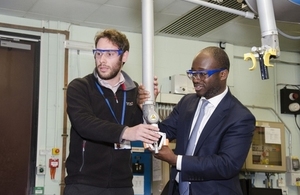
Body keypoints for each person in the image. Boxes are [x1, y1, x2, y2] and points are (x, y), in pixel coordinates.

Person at [139, 46, 256, 195]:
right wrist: (147, 108)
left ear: (223, 74)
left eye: (202, 74)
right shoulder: (187, 102)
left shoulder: (239, 117)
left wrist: (176, 160)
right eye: (192, 73)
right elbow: (163, 132)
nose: (195, 79)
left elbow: (227, 164)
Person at [64, 29, 161, 195]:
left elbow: (142, 131)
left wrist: (146, 106)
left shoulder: (134, 91)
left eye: (109, 54)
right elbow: (84, 124)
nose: (102, 60)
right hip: (84, 184)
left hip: (122, 185)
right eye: (98, 53)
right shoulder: (80, 87)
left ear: (124, 56)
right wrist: (127, 132)